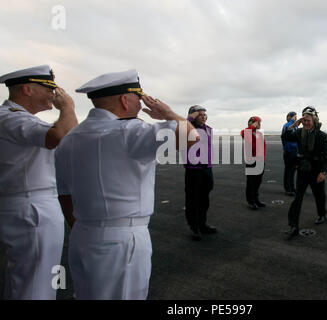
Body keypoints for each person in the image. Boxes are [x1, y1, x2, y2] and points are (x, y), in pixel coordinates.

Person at [54, 70, 198, 300]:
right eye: (138, 99)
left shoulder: (70, 138)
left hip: (83, 235)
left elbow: (63, 192)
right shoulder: (130, 132)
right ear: (124, 100)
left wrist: (87, 227)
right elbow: (191, 137)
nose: (141, 105)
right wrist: (168, 113)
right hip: (123, 240)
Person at [0, 65, 78, 299]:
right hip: (30, 209)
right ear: (27, 89)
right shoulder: (11, 118)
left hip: (25, 205)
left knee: (20, 280)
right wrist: (68, 108)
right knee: (35, 284)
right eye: (48, 88)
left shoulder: (14, 118)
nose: (53, 94)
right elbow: (63, 137)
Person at [282, 106, 327, 240]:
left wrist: (323, 172)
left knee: (319, 195)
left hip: (316, 171)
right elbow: (285, 136)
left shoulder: (322, 136)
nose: (306, 123)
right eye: (304, 121)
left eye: (308, 120)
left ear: (314, 120)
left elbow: (326, 156)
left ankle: (322, 214)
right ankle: (293, 226)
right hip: (303, 169)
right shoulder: (298, 132)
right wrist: (294, 125)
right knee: (298, 198)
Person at [184, 105, 217, 241]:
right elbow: (182, 125)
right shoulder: (187, 128)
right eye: (200, 114)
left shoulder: (208, 129)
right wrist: (190, 117)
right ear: (193, 116)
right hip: (193, 169)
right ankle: (194, 227)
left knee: (204, 199)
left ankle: (203, 224)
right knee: (193, 199)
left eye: (204, 114)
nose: (203, 117)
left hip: (207, 168)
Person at [241, 116, 267, 210]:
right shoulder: (247, 132)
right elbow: (243, 133)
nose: (259, 124)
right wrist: (252, 126)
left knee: (257, 182)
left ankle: (256, 200)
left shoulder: (259, 134)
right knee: (251, 183)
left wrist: (262, 159)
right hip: (251, 161)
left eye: (259, 123)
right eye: (258, 122)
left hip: (260, 161)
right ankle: (251, 202)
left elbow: (263, 147)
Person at [281, 112, 298, 196]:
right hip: (289, 151)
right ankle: (288, 189)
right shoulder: (287, 125)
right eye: (295, 117)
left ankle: (292, 187)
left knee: (292, 171)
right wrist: (292, 120)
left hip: (294, 151)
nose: (296, 118)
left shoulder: (294, 126)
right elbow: (287, 134)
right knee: (288, 171)